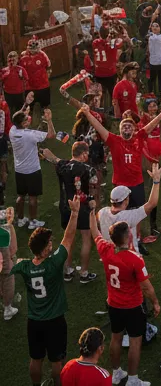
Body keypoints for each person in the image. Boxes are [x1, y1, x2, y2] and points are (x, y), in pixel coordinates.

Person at [13, 198, 80, 386]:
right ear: (44, 249)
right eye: (49, 242)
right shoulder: (54, 264)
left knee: (35, 359)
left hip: (34, 321)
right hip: (54, 320)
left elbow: (11, 264)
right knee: (56, 360)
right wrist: (74, 213)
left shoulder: (24, 266)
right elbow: (68, 237)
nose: (52, 244)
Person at [96, 221, 159, 386]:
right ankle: (132, 379)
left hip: (114, 305)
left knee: (115, 338)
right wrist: (156, 303)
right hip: (132, 307)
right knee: (135, 342)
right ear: (128, 236)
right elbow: (147, 287)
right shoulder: (135, 259)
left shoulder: (105, 249)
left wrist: (90, 212)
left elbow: (95, 233)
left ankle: (116, 373)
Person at [39, 142, 97, 283]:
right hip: (82, 206)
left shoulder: (63, 165)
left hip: (65, 206)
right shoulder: (89, 169)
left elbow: (55, 159)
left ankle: (67, 271)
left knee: (68, 238)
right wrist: (93, 203)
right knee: (86, 238)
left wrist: (46, 153)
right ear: (83, 154)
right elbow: (93, 188)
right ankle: (84, 273)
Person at [10, 106, 55, 228]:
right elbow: (51, 135)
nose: (29, 119)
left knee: (20, 196)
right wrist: (49, 120)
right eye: (26, 119)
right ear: (23, 123)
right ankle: (33, 221)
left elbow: (18, 117)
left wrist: (25, 107)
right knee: (32, 197)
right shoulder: (30, 135)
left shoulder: (12, 131)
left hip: (19, 170)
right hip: (32, 170)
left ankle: (19, 219)